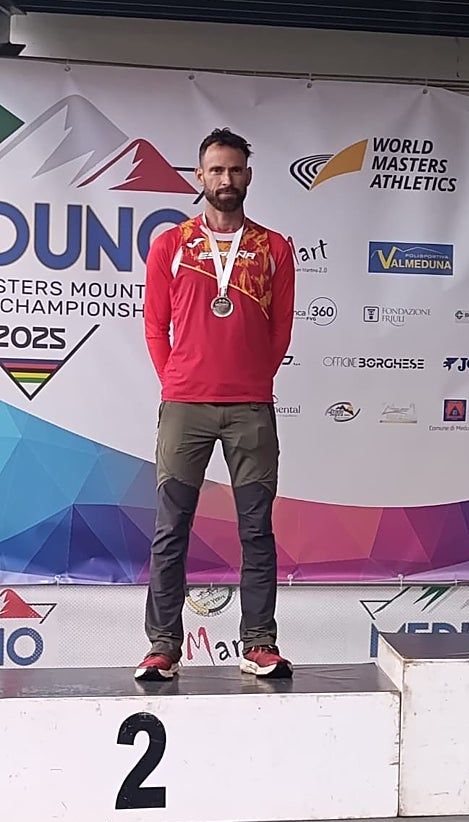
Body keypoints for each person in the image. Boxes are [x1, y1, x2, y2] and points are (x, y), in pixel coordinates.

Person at [136, 128, 296, 680]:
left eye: (234, 170)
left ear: (247, 175)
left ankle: (259, 644)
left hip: (251, 407)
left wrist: (250, 378)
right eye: (216, 171)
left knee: (256, 528)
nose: (225, 180)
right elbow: (155, 325)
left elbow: (281, 332)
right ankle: (162, 648)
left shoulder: (273, 247)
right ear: (199, 177)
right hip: (185, 408)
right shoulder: (171, 245)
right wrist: (177, 381)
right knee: (171, 527)